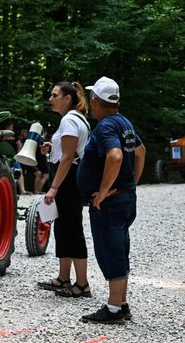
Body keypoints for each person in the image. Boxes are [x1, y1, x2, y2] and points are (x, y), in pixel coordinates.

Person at [77, 76, 145, 324]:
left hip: (110, 204)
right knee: (120, 248)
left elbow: (115, 156)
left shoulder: (105, 126)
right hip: (125, 199)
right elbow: (141, 151)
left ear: (96, 101)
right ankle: (121, 303)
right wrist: (130, 184)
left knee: (111, 251)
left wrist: (104, 191)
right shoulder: (124, 122)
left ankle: (114, 309)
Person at [37, 81, 91, 298]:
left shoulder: (69, 120)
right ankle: (63, 278)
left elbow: (69, 157)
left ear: (67, 98)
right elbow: (67, 151)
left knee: (72, 228)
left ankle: (82, 285)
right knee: (63, 227)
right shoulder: (74, 119)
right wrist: (51, 148)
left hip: (68, 179)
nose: (50, 99)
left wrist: (54, 188)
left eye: (54, 95)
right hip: (69, 176)